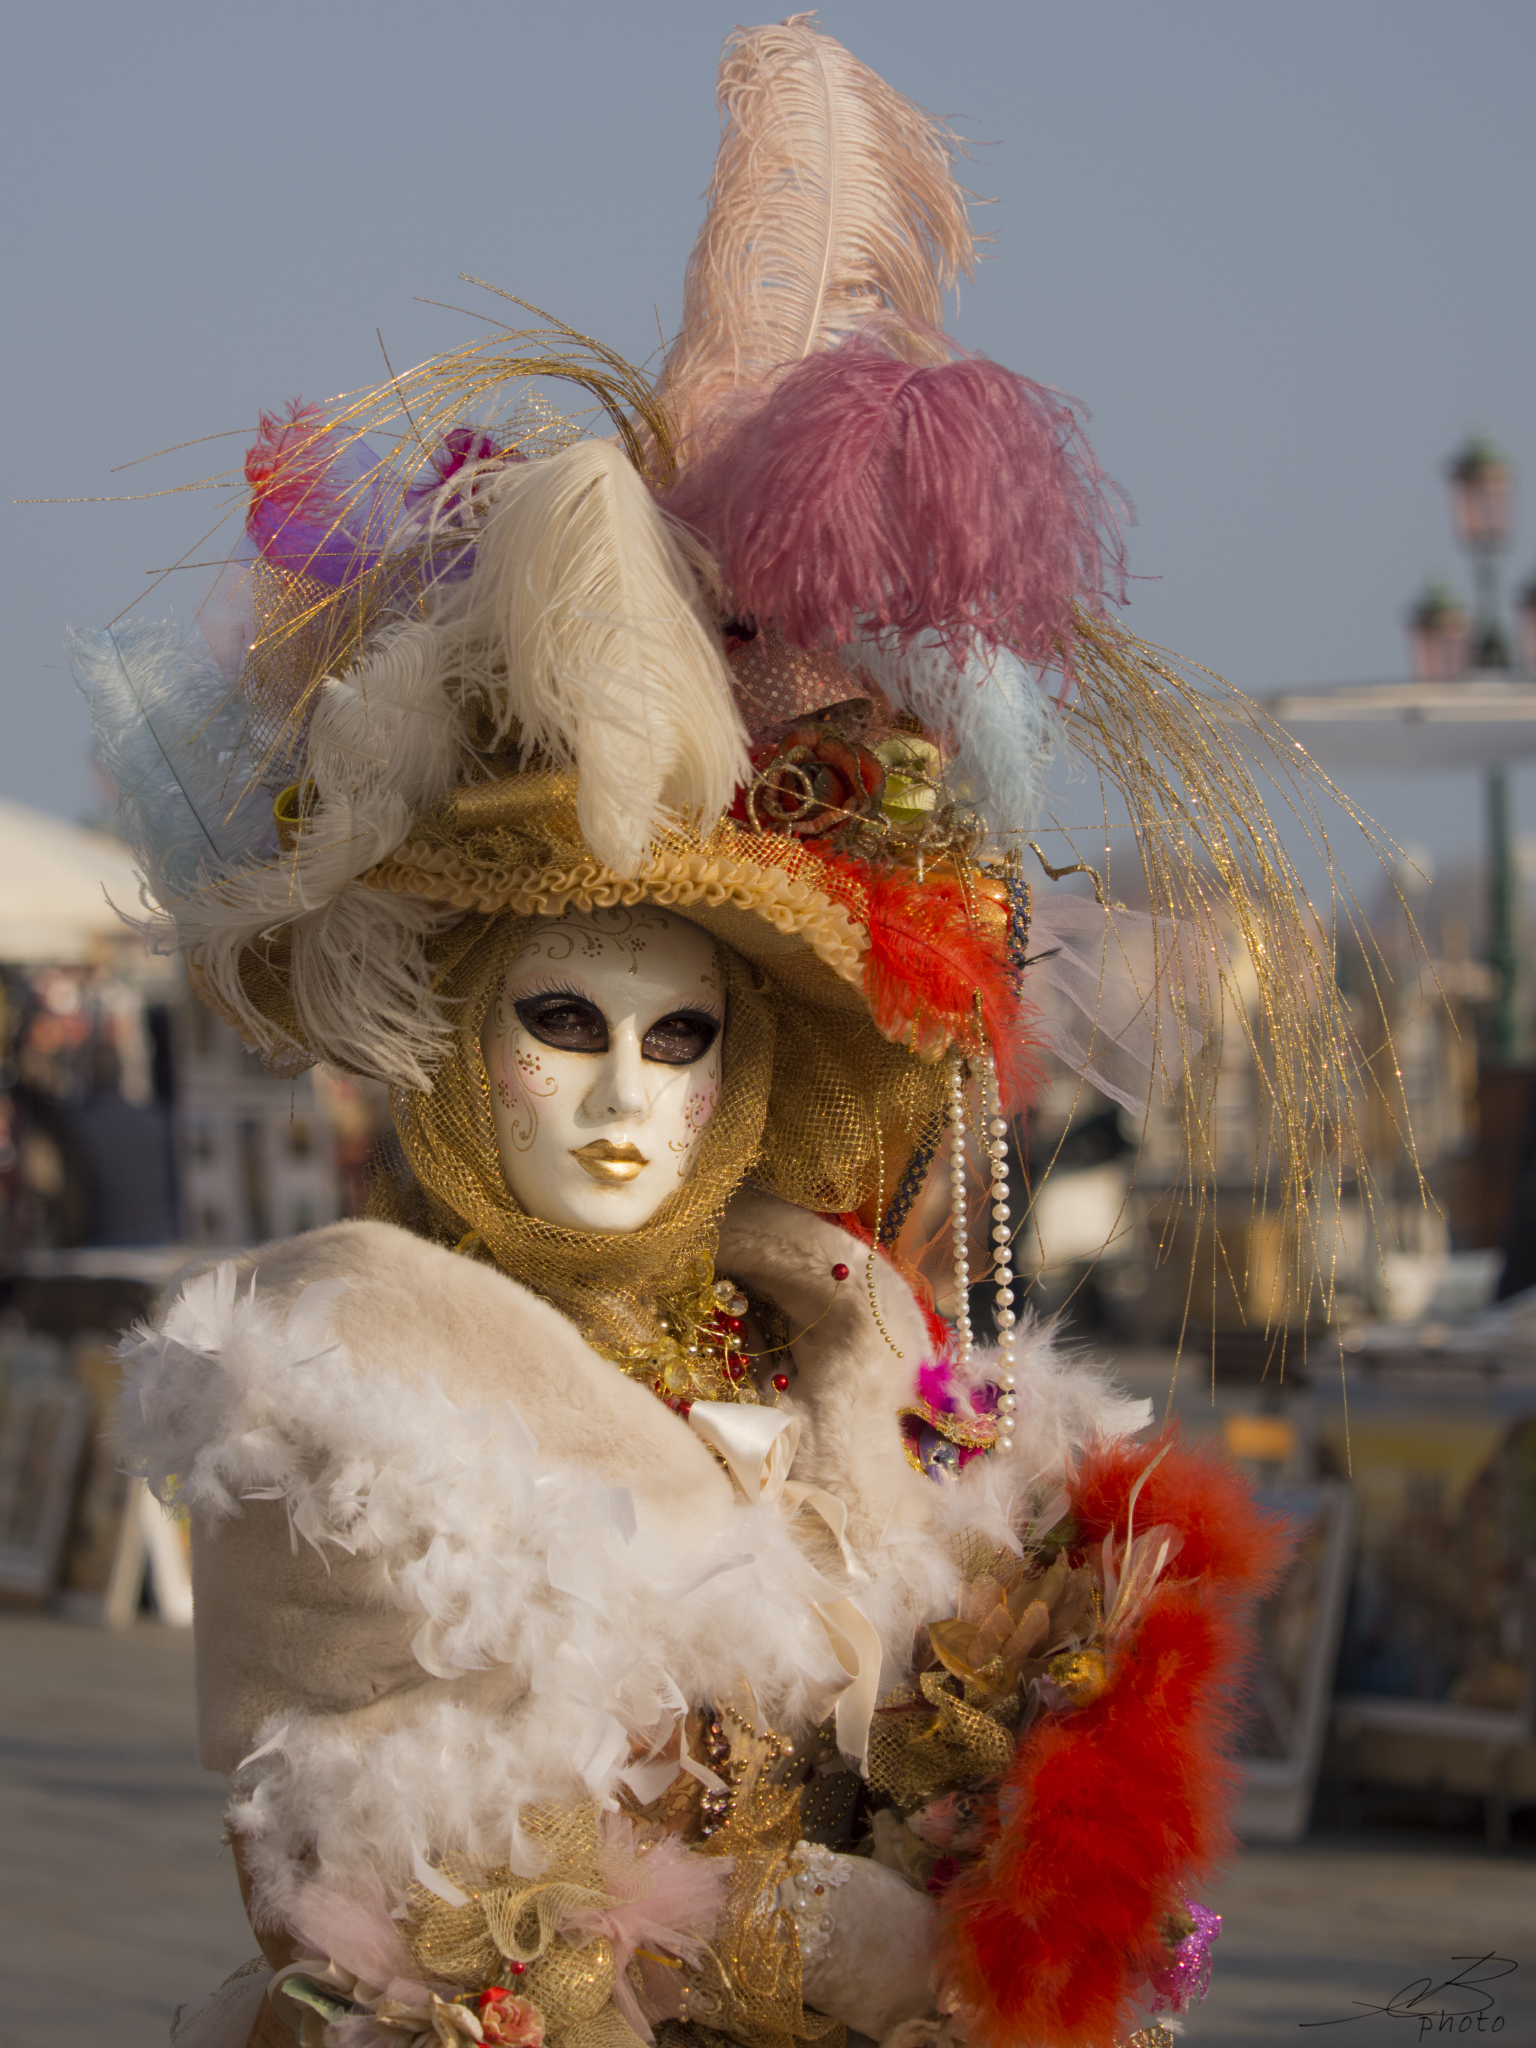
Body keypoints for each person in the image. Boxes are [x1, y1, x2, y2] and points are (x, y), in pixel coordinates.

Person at [83, 20, 1309, 2048]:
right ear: (447, 1026)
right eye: (566, 1021)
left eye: (684, 1039)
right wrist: (814, 1934)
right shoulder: (353, 1366)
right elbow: (393, 1890)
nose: (631, 1095)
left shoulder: (847, 1342)